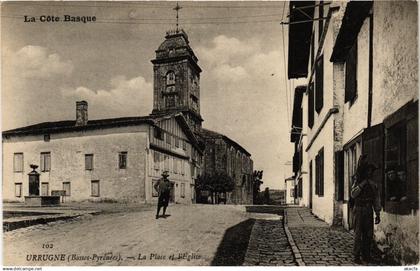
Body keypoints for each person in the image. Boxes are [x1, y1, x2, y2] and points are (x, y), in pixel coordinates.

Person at [350, 155, 381, 264]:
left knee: (368, 234)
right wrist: (362, 184)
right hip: (358, 209)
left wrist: (377, 214)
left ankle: (366, 255)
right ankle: (356, 256)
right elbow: (353, 194)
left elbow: (376, 199)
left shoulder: (373, 184)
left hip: (368, 210)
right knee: (358, 234)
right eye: (368, 170)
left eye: (371, 171)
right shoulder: (357, 181)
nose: (369, 173)